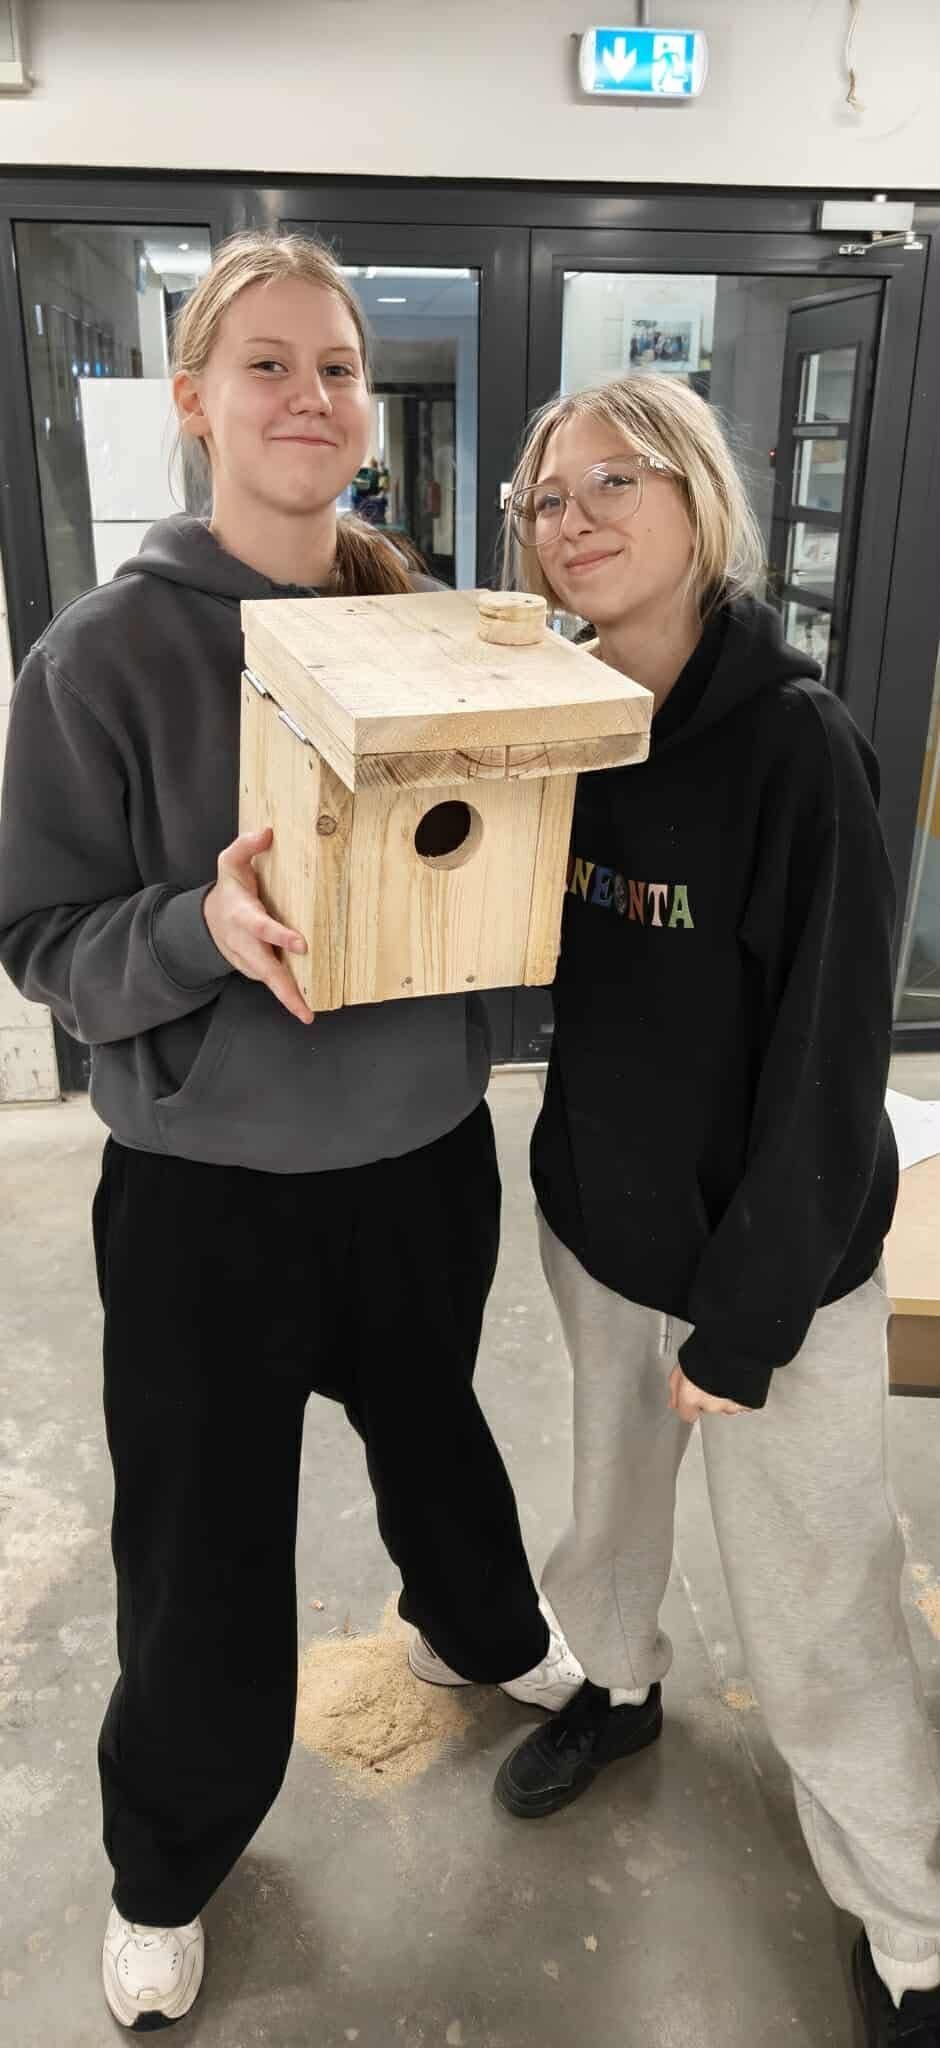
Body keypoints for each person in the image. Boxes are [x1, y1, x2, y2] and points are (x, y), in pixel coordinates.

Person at [0, 231, 581, 2032]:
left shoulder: (436, 630)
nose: (311, 395)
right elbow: (39, 939)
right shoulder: (100, 659)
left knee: (438, 1433)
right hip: (207, 1196)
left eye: (336, 366)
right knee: (206, 1544)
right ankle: (167, 1863)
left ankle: (482, 1635)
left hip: (419, 1160)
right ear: (194, 401)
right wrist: (198, 926)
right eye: (268, 364)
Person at [494, 374, 940, 2048]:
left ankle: (912, 1931)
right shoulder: (558, 716)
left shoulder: (796, 745)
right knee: (609, 1512)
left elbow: (832, 1055)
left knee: (821, 1597)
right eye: (548, 498)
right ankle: (616, 1690)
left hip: (779, 1261)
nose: (576, 519)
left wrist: (747, 1323)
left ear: (698, 497)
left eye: (616, 481)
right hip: (604, 1224)